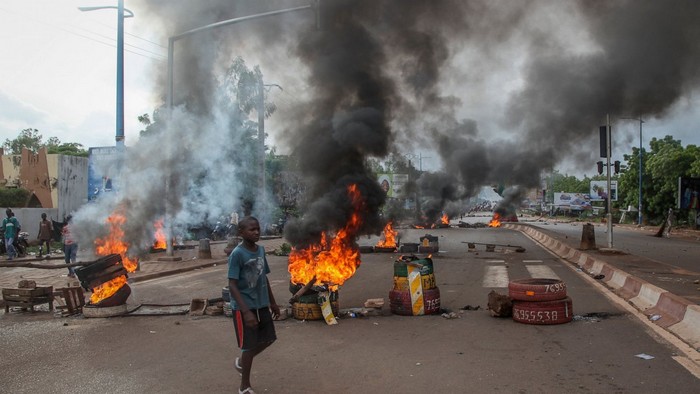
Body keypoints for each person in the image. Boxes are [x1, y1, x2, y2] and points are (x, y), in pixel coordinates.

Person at [227, 216, 280, 394]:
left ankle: (242, 362)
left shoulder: (261, 250)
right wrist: (246, 312)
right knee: (248, 346)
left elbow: (263, 276)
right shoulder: (237, 254)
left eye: (257, 228)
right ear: (241, 233)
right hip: (244, 307)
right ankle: (244, 386)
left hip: (261, 304)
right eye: (251, 229)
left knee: (269, 338)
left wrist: (272, 302)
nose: (256, 232)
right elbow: (232, 285)